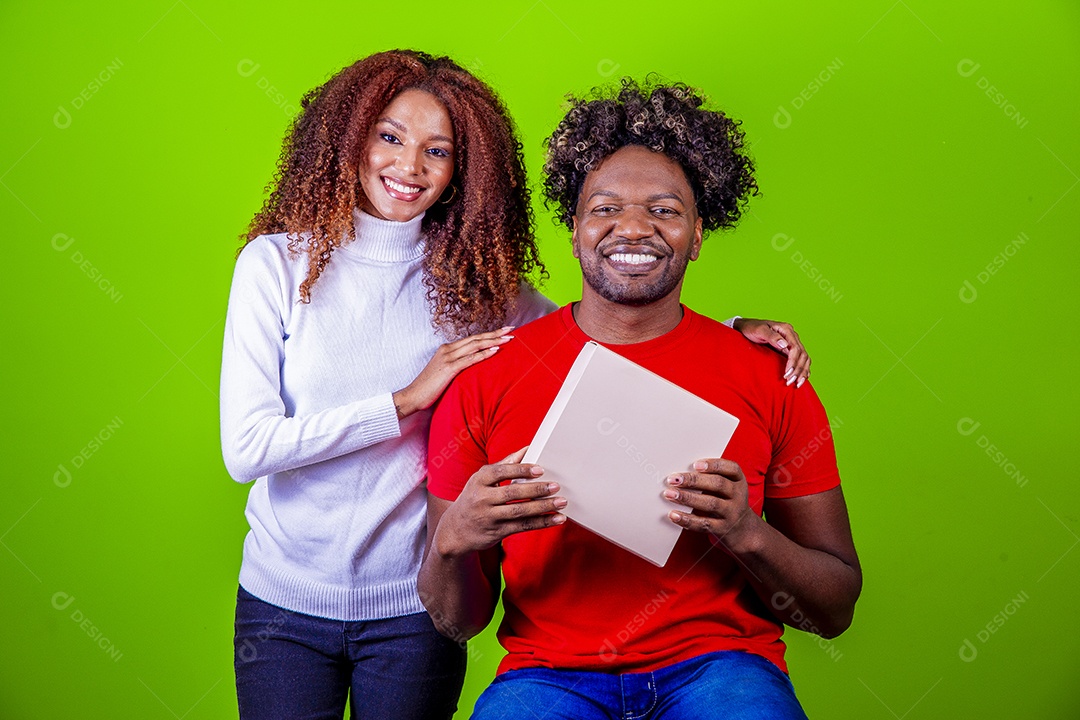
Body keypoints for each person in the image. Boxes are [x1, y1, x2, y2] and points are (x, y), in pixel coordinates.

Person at [222, 49, 811, 718]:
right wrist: (408, 400)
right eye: (389, 136)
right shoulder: (273, 265)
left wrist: (733, 332)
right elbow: (246, 449)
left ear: (462, 169)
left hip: (411, 605)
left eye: (437, 151)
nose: (409, 166)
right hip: (283, 599)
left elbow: (599, 315)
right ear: (348, 135)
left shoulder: (477, 288)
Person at [418, 79, 861, 720]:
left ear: (698, 234)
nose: (633, 228)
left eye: (664, 209)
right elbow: (458, 622)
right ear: (573, 232)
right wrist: (453, 540)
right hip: (548, 676)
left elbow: (834, 611)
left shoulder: (770, 376)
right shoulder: (487, 376)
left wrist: (747, 534)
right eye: (604, 208)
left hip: (721, 667)